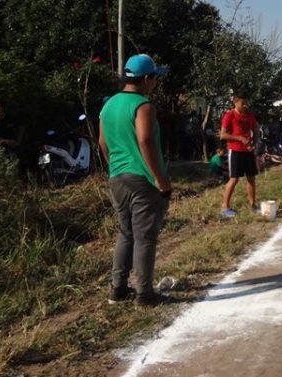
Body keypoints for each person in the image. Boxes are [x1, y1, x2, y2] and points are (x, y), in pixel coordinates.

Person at [99, 54, 171, 306]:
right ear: (147, 78)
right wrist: (160, 181)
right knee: (145, 237)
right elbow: (146, 141)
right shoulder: (143, 105)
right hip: (143, 179)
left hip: (117, 178)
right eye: (155, 78)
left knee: (125, 233)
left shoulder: (108, 105)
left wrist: (115, 169)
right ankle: (144, 294)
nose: (155, 84)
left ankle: (117, 289)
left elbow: (103, 143)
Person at [220, 92, 259, 218]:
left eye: (246, 103)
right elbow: (223, 135)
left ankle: (253, 205)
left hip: (248, 151)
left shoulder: (250, 115)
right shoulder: (229, 115)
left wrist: (254, 142)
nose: (245, 105)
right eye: (243, 103)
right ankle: (225, 207)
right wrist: (240, 138)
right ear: (235, 102)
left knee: (251, 177)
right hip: (235, 150)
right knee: (234, 178)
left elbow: (255, 129)